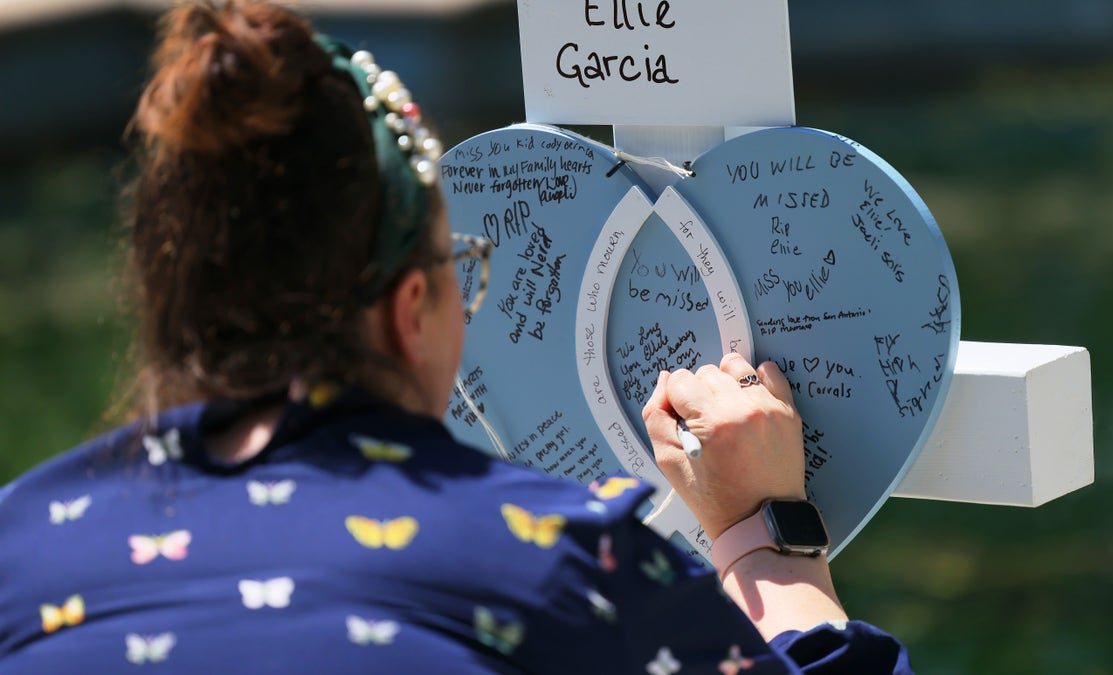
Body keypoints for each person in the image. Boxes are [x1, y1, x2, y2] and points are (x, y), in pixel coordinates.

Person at [0, 1, 911, 672]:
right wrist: (767, 536)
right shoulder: (568, 566)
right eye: (459, 267)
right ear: (409, 309)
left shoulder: (17, 541)